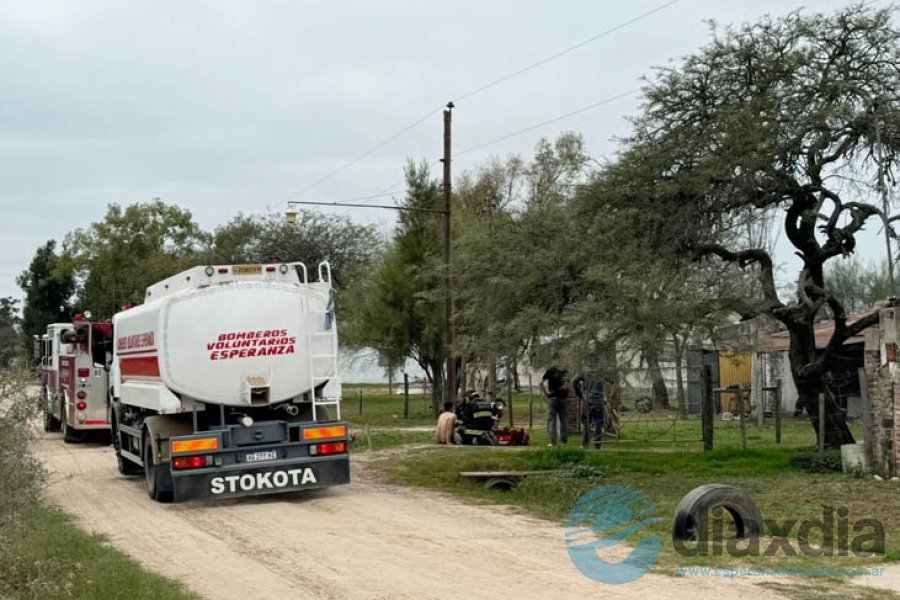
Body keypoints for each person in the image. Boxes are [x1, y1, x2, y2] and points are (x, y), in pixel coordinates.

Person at [574, 370, 605, 449]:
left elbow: (574, 382)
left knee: (586, 422)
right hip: (598, 401)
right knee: (598, 423)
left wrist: (580, 394)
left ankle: (585, 444)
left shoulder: (583, 371)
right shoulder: (601, 370)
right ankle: (598, 445)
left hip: (587, 400)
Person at [540, 366, 569, 446]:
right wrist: (566, 394)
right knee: (564, 419)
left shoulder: (550, 370)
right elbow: (568, 384)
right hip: (562, 398)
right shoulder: (565, 371)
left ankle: (553, 442)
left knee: (552, 420)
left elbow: (541, 383)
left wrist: (546, 393)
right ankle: (564, 441)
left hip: (552, 397)